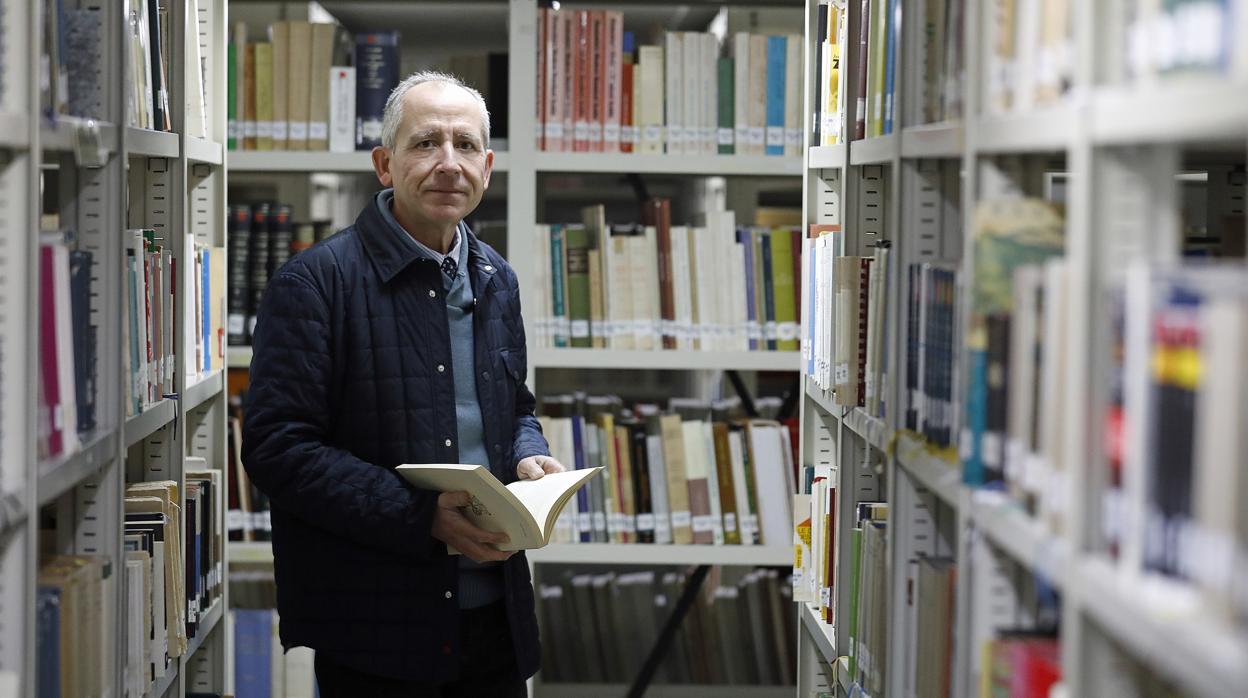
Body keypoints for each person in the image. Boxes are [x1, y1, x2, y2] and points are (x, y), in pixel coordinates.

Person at [242, 71, 564, 697]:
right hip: (376, 632)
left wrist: (527, 453)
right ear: (385, 164)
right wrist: (420, 517)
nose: (449, 164)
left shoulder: (498, 278)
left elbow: (514, 403)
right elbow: (276, 448)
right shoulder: (315, 284)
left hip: (496, 617)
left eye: (465, 146)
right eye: (426, 144)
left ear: (488, 166)